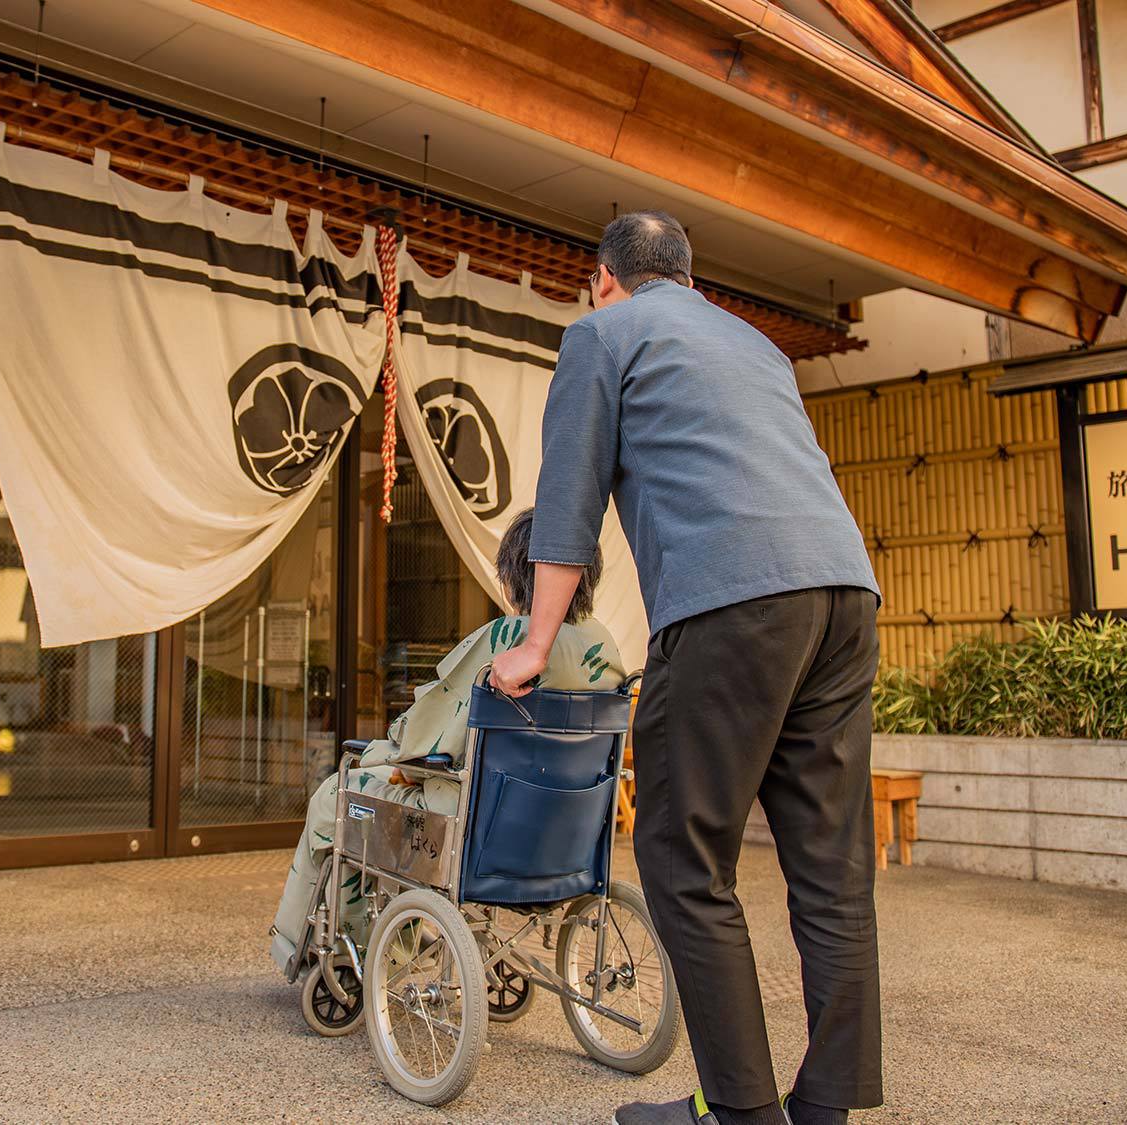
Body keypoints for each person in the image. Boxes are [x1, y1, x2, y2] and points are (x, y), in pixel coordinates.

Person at [488, 212, 882, 1125]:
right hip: (844, 595)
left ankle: (740, 1114)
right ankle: (825, 1106)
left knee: (681, 854)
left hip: (731, 601)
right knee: (831, 866)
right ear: (691, 279)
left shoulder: (601, 332)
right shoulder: (756, 346)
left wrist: (538, 644)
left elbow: (569, 497)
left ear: (603, 279)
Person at [268, 507, 626, 976]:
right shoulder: (607, 647)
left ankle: (327, 950)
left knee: (338, 796)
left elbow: (424, 733)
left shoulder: (509, 641)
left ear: (515, 577)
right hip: (566, 835)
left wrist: (389, 752)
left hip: (471, 825)